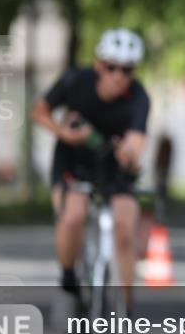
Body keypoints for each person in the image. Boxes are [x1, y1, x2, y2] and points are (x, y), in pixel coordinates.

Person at [31, 29, 150, 311]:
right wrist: (64, 133)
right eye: (111, 67)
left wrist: (128, 155)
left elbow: (136, 143)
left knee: (125, 230)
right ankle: (69, 278)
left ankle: (125, 313)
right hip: (72, 161)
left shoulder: (139, 97)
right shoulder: (76, 81)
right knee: (73, 216)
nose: (118, 76)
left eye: (126, 70)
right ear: (99, 65)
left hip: (112, 167)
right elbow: (39, 111)